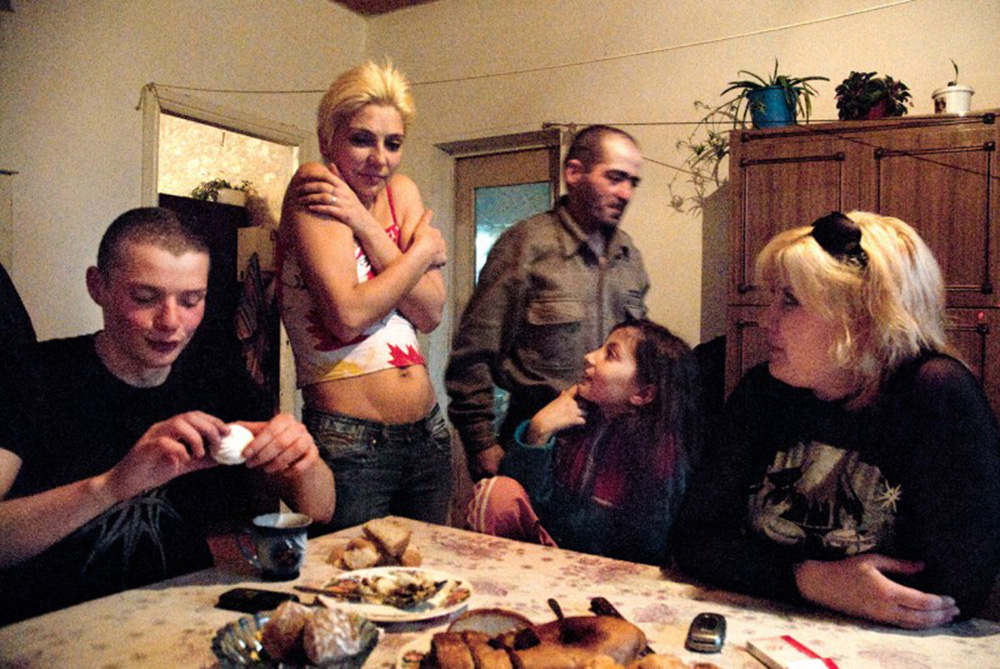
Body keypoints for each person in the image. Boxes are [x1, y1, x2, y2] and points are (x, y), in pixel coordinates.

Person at [0, 207, 335, 625]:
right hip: (54, 626)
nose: (171, 322)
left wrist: (302, 458)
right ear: (97, 286)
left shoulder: (217, 377)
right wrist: (110, 487)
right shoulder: (30, 376)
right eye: (145, 298)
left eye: (191, 300)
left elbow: (321, 507)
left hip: (180, 615)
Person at [673, 211, 1000, 629]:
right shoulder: (763, 391)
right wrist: (811, 581)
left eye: (790, 300)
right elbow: (694, 538)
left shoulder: (937, 394)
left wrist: (762, 570)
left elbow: (954, 590)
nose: (765, 318)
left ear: (862, 317)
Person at [278, 61, 450, 532]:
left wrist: (363, 222)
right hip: (350, 441)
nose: (380, 159)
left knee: (425, 571)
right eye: (361, 139)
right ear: (327, 139)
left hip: (429, 434)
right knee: (347, 574)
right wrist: (421, 253)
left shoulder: (401, 192)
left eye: (393, 143)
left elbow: (431, 311)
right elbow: (348, 315)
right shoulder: (315, 186)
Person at [446, 125, 650, 480]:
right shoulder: (525, 245)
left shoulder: (628, 256)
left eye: (633, 182)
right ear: (574, 172)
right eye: (615, 178)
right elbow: (473, 353)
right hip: (534, 436)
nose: (625, 193)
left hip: (608, 446)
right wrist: (481, 443)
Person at [466, 319, 700, 565]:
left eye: (610, 355)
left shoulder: (659, 454)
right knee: (496, 493)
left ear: (642, 394)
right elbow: (525, 498)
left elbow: (647, 546)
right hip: (553, 555)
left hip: (610, 571)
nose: (589, 356)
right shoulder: (573, 420)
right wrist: (538, 432)